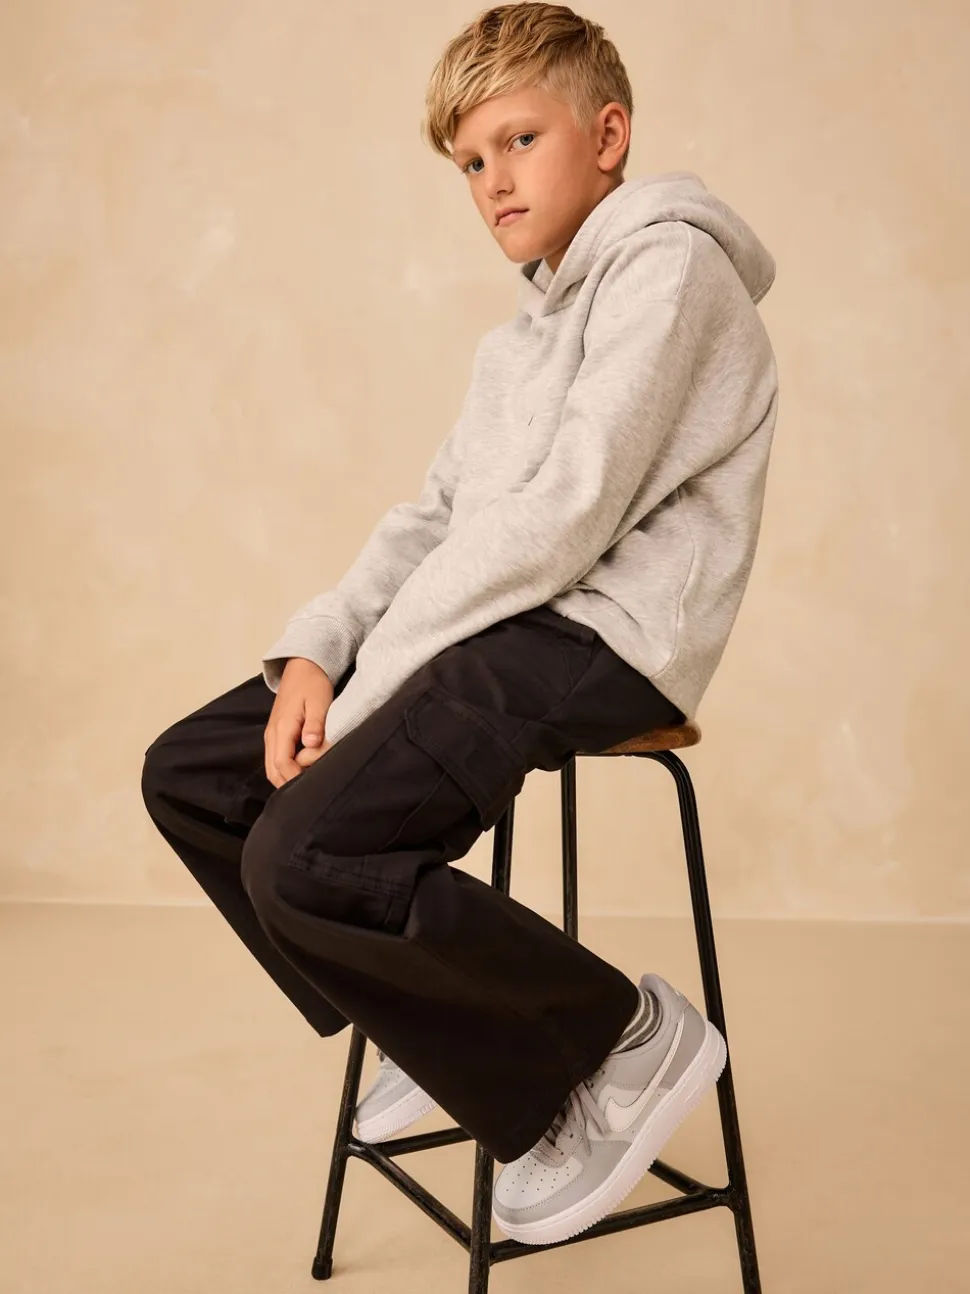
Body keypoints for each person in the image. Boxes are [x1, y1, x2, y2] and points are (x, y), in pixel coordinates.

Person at [141, 1, 778, 1248]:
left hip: (608, 634)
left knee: (302, 855)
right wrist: (321, 648)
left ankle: (616, 1035)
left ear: (607, 135)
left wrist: (376, 684)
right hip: (499, 624)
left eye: (519, 141)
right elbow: (435, 516)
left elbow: (565, 514)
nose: (493, 181)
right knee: (198, 775)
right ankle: (436, 1028)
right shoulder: (519, 337)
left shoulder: (670, 272)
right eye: (471, 161)